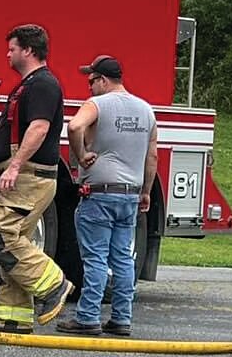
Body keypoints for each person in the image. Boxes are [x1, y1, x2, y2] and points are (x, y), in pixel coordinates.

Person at [57, 55, 157, 337]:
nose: (89, 87)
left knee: (95, 258)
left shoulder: (97, 105)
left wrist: (81, 155)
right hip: (130, 196)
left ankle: (88, 317)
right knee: (123, 259)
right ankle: (122, 318)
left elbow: (75, 126)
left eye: (91, 81)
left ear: (103, 80)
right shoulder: (146, 110)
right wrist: (146, 191)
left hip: (99, 195)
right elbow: (152, 156)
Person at [0, 24, 72, 334]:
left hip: (31, 177)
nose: (7, 54)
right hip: (21, 176)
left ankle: (53, 285)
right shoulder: (29, 85)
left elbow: (38, 128)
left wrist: (14, 167)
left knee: (0, 237)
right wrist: (0, 174)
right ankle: (13, 317)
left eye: (12, 48)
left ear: (29, 50)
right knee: (11, 241)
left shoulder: (44, 85)